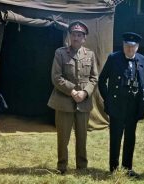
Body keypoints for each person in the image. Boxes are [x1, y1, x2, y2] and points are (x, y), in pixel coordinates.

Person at [47, 20, 98, 174]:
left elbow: (94, 78)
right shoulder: (60, 53)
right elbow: (56, 77)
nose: (76, 37)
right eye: (74, 34)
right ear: (69, 36)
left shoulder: (90, 54)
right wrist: (72, 91)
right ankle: (62, 166)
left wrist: (85, 92)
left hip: (83, 102)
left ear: (84, 38)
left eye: (79, 35)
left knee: (82, 136)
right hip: (63, 101)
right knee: (63, 136)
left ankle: (82, 166)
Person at [98, 32, 144, 177]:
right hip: (117, 105)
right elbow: (101, 80)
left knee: (130, 137)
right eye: (127, 46)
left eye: (132, 47)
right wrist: (107, 99)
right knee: (115, 137)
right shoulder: (114, 58)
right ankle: (114, 168)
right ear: (123, 45)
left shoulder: (143, 60)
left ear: (137, 47)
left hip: (133, 106)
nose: (129, 49)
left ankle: (127, 167)